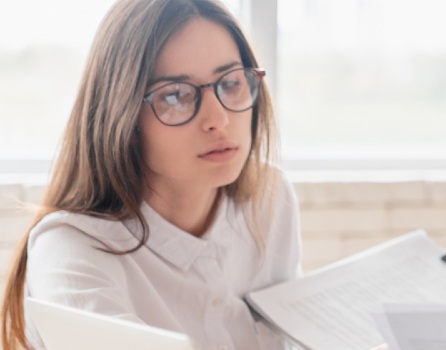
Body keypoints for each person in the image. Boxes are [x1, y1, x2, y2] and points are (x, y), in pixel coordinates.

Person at [0, 0, 301, 349]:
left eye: (231, 82)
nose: (218, 119)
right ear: (123, 119)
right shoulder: (72, 252)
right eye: (175, 96)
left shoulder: (269, 198)